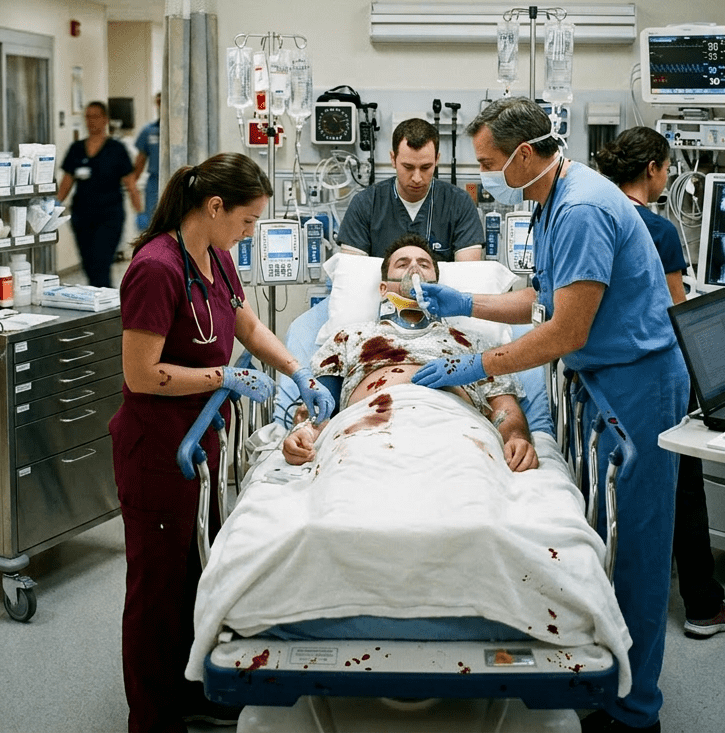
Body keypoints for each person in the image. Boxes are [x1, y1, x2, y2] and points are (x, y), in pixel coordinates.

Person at [410, 97, 689, 733]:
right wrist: (467, 301)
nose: (483, 176)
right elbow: (541, 298)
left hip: (638, 386)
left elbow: (564, 330)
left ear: (524, 154)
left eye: (487, 164)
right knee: (612, 542)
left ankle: (634, 708)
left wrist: (479, 367)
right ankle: (606, 675)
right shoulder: (553, 200)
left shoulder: (584, 208)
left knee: (640, 550)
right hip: (609, 378)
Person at [112, 151, 335, 733]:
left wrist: (298, 370)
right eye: (247, 220)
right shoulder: (157, 268)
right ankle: (152, 717)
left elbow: (247, 325)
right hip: (159, 446)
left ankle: (189, 689)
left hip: (200, 438)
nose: (251, 231)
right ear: (214, 207)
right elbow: (140, 373)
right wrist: (222, 377)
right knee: (156, 590)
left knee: (194, 572)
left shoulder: (215, 257)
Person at [596, 127, 725, 639]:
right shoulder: (657, 230)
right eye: (666, 170)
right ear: (655, 170)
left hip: (606, 378)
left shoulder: (594, 215)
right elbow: (676, 313)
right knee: (684, 484)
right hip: (657, 375)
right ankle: (702, 603)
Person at [282, 234, 538, 472]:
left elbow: (504, 407)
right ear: (384, 288)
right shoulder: (349, 337)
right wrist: (305, 431)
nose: (414, 269)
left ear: (438, 285)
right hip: (368, 428)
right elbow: (321, 404)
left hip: (456, 428)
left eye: (424, 265)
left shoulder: (473, 342)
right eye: (402, 264)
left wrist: (516, 438)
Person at [337, 117, 484, 262]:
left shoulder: (459, 203)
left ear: (437, 160)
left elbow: (467, 274)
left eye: (426, 167)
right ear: (393, 159)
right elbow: (353, 273)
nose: (417, 178)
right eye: (408, 167)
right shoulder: (366, 204)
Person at [58, 100, 143, 287]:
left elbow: (130, 184)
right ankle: (101, 301)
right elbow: (66, 184)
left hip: (109, 218)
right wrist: (52, 207)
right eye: (87, 116)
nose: (91, 121)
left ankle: (104, 307)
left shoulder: (116, 150)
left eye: (95, 116)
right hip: (82, 218)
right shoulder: (76, 149)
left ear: (105, 120)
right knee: (89, 266)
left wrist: (141, 215)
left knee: (101, 264)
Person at [132, 91, 161, 230]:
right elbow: (139, 164)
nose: (161, 105)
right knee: (153, 226)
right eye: (158, 102)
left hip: (178, 181)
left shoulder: (181, 129)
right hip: (154, 184)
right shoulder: (149, 131)